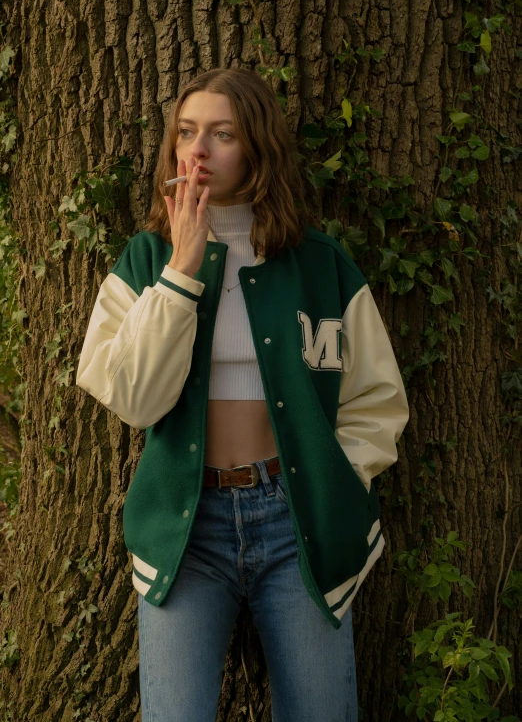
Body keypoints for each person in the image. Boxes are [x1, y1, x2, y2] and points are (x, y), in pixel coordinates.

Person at [76, 67, 410, 722]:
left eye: (221, 134)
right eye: (187, 131)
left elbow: (376, 396)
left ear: (256, 146)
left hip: (298, 522)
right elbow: (133, 399)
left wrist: (334, 478)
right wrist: (180, 270)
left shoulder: (319, 264)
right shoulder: (145, 261)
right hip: (184, 528)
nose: (196, 149)